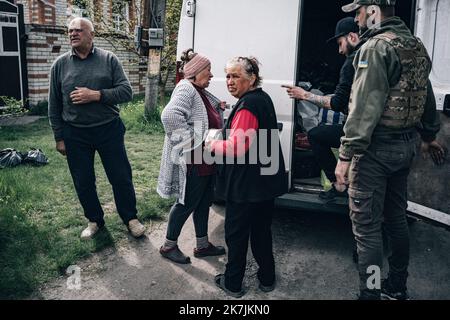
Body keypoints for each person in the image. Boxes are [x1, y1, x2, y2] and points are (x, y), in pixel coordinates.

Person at [336, 0, 445, 300]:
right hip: (406, 145)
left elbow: (363, 110)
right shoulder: (415, 45)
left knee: (367, 230)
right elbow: (426, 95)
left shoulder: (375, 49)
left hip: (375, 151)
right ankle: (397, 286)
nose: (357, 20)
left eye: (358, 12)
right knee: (396, 218)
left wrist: (345, 155)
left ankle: (369, 295)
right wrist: (429, 134)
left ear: (373, 11)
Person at [48, 17, 145, 239]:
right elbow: (54, 105)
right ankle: (94, 220)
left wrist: (96, 95)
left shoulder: (108, 59)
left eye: (78, 30)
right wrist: (59, 137)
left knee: (120, 177)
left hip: (108, 129)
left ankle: (130, 218)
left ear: (91, 34)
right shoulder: (60, 65)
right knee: (83, 180)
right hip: (75, 133)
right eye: (70, 31)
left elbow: (126, 92)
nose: (73, 34)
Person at [206, 57, 288, 298]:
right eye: (227, 76)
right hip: (264, 182)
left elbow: (237, 148)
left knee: (237, 234)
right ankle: (267, 278)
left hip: (246, 185)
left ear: (251, 78)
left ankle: (232, 283)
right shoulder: (262, 98)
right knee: (261, 231)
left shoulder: (248, 105)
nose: (229, 81)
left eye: (235, 76)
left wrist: (212, 144)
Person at [157, 49, 226, 264]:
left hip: (205, 160)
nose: (212, 75)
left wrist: (217, 108)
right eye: (208, 70)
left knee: (203, 203)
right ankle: (168, 246)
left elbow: (201, 114)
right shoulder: (186, 89)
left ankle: (203, 245)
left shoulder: (198, 90)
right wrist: (194, 143)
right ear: (196, 72)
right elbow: (169, 116)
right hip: (194, 160)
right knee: (186, 203)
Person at [283, 17, 361, 200]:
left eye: (340, 43)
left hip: (358, 130)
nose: (339, 50)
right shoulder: (370, 56)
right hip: (373, 129)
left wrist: (304, 95)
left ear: (351, 37)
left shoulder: (352, 62)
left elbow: (337, 103)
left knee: (316, 135)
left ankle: (339, 184)